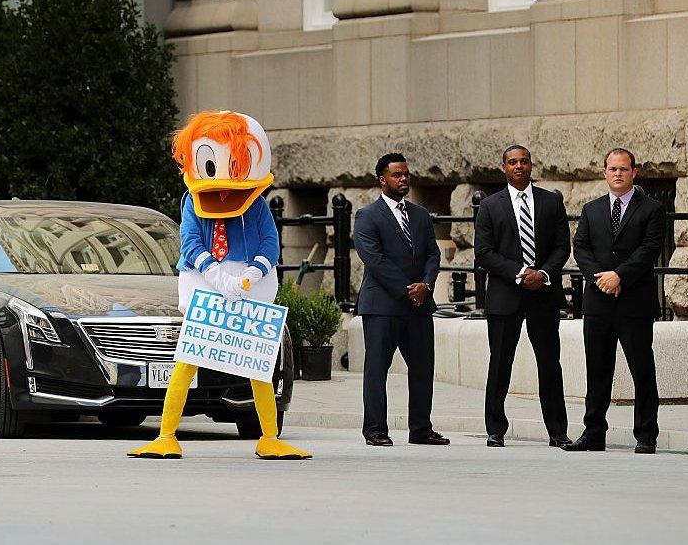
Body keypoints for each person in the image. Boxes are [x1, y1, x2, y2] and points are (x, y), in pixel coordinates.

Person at [127, 111, 311, 460]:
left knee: (258, 364)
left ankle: (269, 435)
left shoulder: (255, 206)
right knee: (187, 360)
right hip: (205, 286)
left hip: (249, 290)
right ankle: (166, 434)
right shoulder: (191, 202)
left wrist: (252, 274)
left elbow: (269, 244)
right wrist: (215, 274)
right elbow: (191, 242)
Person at [563, 148, 663, 454]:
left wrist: (619, 276)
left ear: (634, 172)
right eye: (612, 169)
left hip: (634, 303)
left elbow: (650, 249)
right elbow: (580, 248)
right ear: (604, 172)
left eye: (624, 169)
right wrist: (601, 278)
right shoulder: (592, 210)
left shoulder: (652, 209)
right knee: (597, 369)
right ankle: (594, 432)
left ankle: (646, 435)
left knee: (642, 368)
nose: (618, 174)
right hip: (598, 302)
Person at [473, 145, 571, 448]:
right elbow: (484, 252)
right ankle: (495, 429)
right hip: (506, 295)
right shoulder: (490, 205)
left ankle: (557, 431)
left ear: (531, 165)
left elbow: (561, 247)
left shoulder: (551, 202)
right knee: (500, 362)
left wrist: (541, 274)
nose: (519, 166)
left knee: (550, 364)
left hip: (542, 293)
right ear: (504, 167)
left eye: (524, 161)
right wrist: (520, 273)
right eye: (513, 162)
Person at [353, 153, 448, 447]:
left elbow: (433, 254)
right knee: (377, 369)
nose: (404, 179)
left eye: (406, 174)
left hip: (419, 306)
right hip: (383, 306)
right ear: (383, 180)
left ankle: (421, 429)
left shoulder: (420, 215)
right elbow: (374, 259)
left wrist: (426, 285)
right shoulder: (367, 216)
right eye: (397, 175)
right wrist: (408, 288)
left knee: (422, 368)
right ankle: (376, 430)